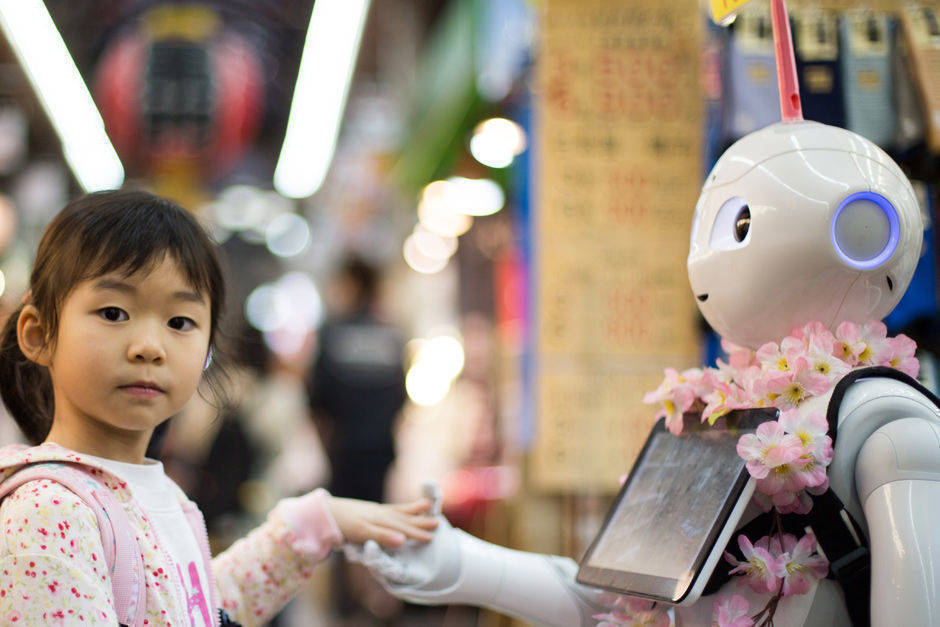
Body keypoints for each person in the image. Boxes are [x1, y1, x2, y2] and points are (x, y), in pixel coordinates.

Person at [0, 190, 437, 626]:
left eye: (179, 322)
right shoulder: (48, 513)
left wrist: (313, 525)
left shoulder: (150, 491)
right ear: (39, 335)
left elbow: (192, 610)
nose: (150, 347)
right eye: (114, 312)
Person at [305, 255, 408, 619]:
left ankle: (348, 604)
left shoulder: (333, 332)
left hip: (344, 450)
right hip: (379, 450)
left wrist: (327, 443)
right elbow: (401, 400)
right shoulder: (392, 335)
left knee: (343, 527)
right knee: (378, 523)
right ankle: (379, 599)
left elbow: (315, 399)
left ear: (352, 284)